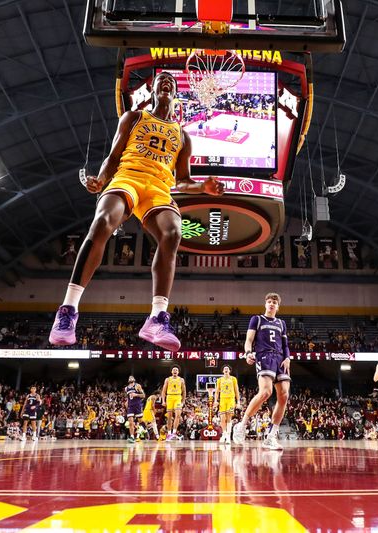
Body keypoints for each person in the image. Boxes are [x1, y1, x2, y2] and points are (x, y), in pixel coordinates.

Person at [48, 71, 224, 350]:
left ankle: (157, 317)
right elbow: (114, 156)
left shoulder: (182, 135)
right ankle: (67, 311)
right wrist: (102, 180)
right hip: (128, 179)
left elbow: (183, 180)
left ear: (175, 94)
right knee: (104, 221)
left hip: (158, 190)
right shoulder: (134, 117)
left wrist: (203, 187)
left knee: (173, 233)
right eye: (160, 81)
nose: (166, 82)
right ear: (152, 91)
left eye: (171, 82)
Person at [232, 293, 291, 451]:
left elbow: (285, 344)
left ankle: (271, 436)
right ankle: (242, 424)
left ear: (278, 306)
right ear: (265, 304)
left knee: (284, 395)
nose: (272, 304)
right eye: (269, 302)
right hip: (264, 356)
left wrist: (288, 358)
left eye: (275, 302)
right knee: (266, 392)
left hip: (280, 359)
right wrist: (248, 353)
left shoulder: (281, 323)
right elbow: (249, 340)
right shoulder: (257, 319)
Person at [213, 365, 240, 444]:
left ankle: (228, 436)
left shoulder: (233, 379)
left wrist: (238, 402)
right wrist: (215, 401)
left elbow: (236, 390)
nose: (226, 369)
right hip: (222, 400)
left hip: (231, 400)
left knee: (229, 418)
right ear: (223, 371)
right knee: (222, 418)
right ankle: (224, 434)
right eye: (224, 369)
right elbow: (217, 391)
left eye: (227, 368)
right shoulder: (219, 380)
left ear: (229, 371)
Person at [161, 365, 186, 441]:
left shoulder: (181, 380)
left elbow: (184, 391)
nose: (175, 371)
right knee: (169, 417)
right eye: (174, 370)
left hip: (178, 397)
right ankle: (169, 434)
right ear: (171, 371)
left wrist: (183, 401)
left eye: (176, 370)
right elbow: (163, 391)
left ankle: (174, 433)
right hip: (169, 397)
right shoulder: (167, 379)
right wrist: (163, 400)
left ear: (178, 372)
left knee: (178, 415)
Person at [125, 376, 146, 443]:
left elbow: (143, 395)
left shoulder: (137, 386)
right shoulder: (126, 388)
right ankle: (132, 437)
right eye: (129, 377)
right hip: (130, 406)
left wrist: (136, 395)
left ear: (134, 379)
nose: (130, 378)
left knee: (140, 421)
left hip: (137, 405)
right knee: (130, 422)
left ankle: (144, 427)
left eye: (132, 377)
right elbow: (128, 397)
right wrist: (127, 402)